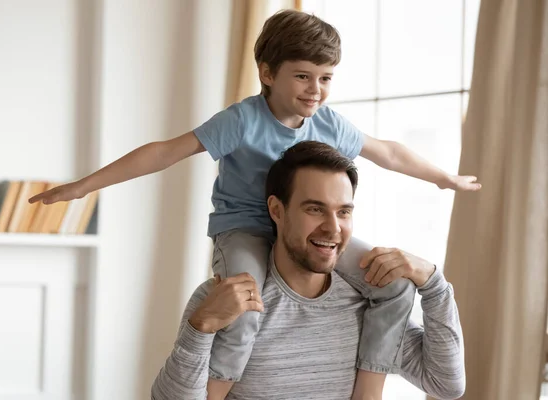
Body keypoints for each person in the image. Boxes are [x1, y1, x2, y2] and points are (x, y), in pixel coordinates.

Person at [29, 9, 477, 398]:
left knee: (395, 287)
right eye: (302, 76)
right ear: (267, 73)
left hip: (302, 231)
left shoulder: (328, 122)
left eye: (325, 78)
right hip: (245, 227)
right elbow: (165, 151)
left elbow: (390, 152)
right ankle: (216, 393)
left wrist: (442, 178)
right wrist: (84, 185)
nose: (315, 90)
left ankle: (370, 388)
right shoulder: (241, 121)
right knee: (245, 309)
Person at [151, 141, 466, 399]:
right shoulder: (225, 300)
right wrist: (201, 325)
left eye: (343, 212)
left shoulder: (370, 305)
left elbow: (446, 385)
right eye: (315, 209)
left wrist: (434, 284)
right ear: (277, 210)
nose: (332, 228)